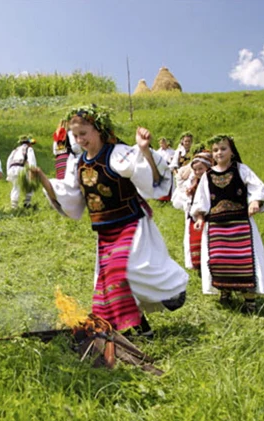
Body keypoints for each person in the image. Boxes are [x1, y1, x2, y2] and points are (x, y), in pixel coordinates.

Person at [32, 105, 188, 338]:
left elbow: (149, 177)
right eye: (75, 135)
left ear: (99, 130)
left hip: (131, 224)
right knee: (111, 283)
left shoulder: (118, 154)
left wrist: (144, 150)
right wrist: (43, 180)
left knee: (127, 272)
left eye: (83, 133)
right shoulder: (79, 164)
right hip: (106, 231)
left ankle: (172, 292)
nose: (79, 139)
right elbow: (72, 197)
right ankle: (141, 329)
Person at [190, 135, 264, 314]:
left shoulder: (241, 170)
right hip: (217, 228)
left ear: (232, 151)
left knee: (245, 261)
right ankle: (225, 291)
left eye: (223, 148)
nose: (219, 152)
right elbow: (201, 200)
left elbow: (256, 188)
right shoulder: (207, 176)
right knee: (220, 260)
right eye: (215, 150)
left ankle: (249, 301)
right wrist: (199, 218)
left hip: (241, 225)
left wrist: (254, 202)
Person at [175, 151, 213, 270]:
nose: (197, 172)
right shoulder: (193, 182)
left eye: (200, 169)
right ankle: (198, 265)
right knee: (195, 241)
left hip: (208, 216)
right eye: (195, 170)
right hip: (194, 217)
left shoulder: (212, 180)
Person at [6, 135, 37, 208]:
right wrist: (32, 171)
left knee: (15, 186)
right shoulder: (29, 149)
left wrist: (8, 174)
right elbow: (32, 160)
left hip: (12, 170)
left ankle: (14, 205)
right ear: (29, 143)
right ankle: (27, 202)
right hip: (21, 169)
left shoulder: (15, 150)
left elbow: (9, 161)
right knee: (30, 185)